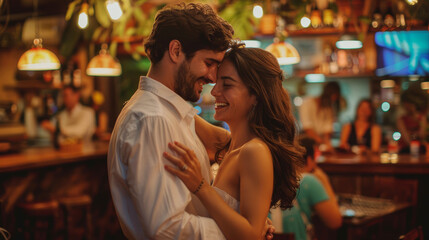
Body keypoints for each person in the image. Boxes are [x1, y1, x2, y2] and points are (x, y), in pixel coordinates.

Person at [107, 3, 272, 240]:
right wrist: (244, 233)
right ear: (175, 51)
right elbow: (165, 228)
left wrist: (243, 219)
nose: (212, 77)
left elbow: (190, 207)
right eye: (209, 63)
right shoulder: (153, 119)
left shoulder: (168, 114)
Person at [163, 46, 305, 240]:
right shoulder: (232, 143)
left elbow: (252, 236)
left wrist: (201, 187)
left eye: (227, 85)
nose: (214, 92)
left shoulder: (254, 150)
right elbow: (184, 115)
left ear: (255, 95)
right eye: (216, 83)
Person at [269, 137, 342, 240]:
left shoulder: (272, 179)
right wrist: (324, 180)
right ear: (309, 160)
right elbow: (335, 222)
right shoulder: (308, 181)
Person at [299, 81, 342, 152]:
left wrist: (327, 144)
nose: (332, 101)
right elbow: (307, 128)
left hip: (320, 145)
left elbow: (327, 130)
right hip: (306, 144)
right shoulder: (307, 103)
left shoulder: (328, 108)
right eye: (332, 98)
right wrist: (322, 142)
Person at [397, 89, 427, 153]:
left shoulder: (421, 118)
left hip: (420, 149)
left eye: (409, 104)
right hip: (405, 149)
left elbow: (422, 135)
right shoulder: (401, 119)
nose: (406, 106)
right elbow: (406, 139)